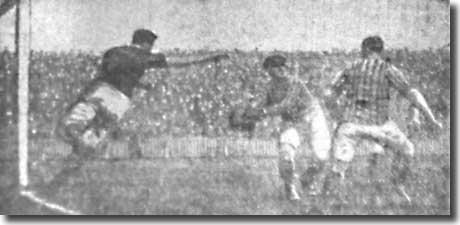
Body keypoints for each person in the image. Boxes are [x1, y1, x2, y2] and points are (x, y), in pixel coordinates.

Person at [52, 29, 228, 184]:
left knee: (68, 127)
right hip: (119, 101)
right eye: (151, 44)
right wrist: (210, 57)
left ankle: (74, 151)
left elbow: (107, 73)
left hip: (100, 91)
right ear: (146, 43)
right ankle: (59, 180)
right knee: (91, 140)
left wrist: (138, 84)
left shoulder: (113, 51)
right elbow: (181, 61)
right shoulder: (146, 56)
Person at [323, 35, 442, 204]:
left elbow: (328, 96)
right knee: (408, 150)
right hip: (380, 126)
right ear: (380, 51)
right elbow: (413, 94)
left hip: (351, 124)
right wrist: (431, 119)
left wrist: (337, 115)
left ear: (364, 49)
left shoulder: (349, 68)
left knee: (341, 163)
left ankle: (330, 203)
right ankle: (398, 185)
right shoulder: (387, 68)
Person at [241, 55, 331, 201]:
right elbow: (259, 104)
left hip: (313, 116)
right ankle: (289, 188)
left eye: (283, 65)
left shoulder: (295, 82)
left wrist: (261, 112)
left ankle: (308, 178)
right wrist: (249, 111)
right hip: (292, 121)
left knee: (321, 155)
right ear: (268, 69)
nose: (282, 69)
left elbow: (286, 104)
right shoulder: (268, 87)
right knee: (286, 154)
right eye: (276, 66)